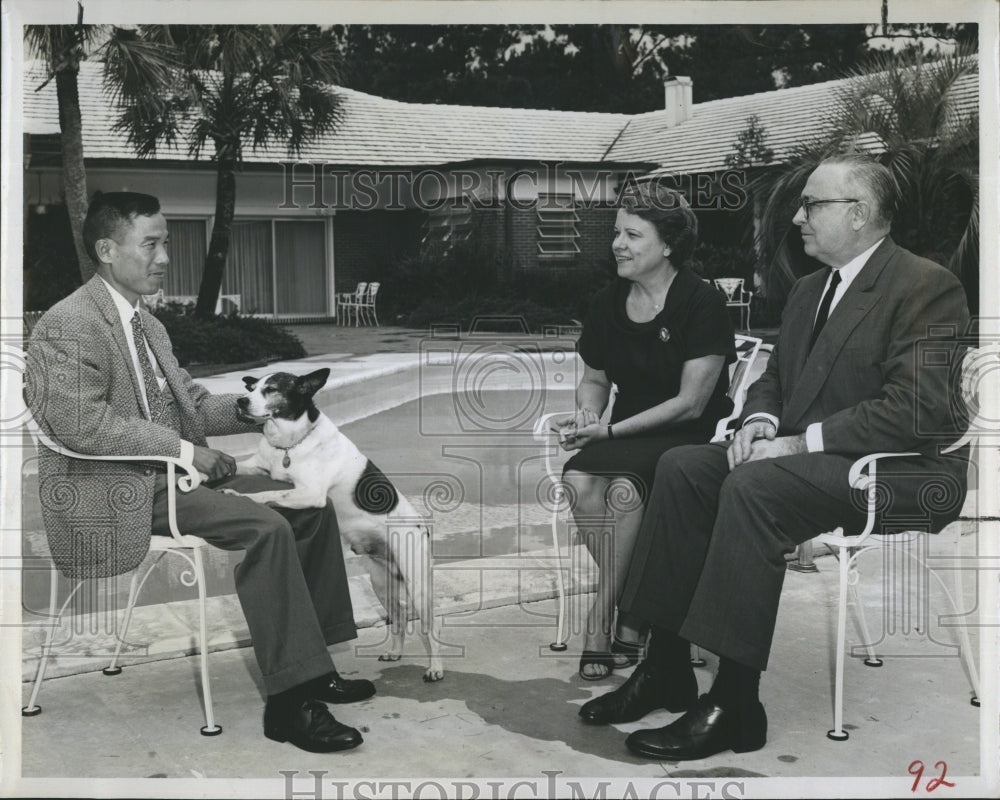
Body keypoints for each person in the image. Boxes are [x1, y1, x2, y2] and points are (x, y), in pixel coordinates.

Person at [576, 153, 971, 758]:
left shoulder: (925, 286)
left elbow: (913, 411)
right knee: (682, 467)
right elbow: (775, 378)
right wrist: (760, 419)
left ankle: (735, 704)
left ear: (860, 213)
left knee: (752, 488)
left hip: (901, 472)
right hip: (811, 463)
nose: (797, 218)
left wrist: (794, 441)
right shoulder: (810, 289)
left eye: (812, 204)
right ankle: (666, 667)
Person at [25, 191, 373, 754]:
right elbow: (81, 425)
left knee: (312, 507)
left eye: (167, 243)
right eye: (152, 244)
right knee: (268, 528)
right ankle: (289, 705)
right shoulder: (70, 324)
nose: (165, 257)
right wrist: (187, 453)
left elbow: (188, 400)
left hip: (173, 479)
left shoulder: (148, 326)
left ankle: (314, 666)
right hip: (120, 490)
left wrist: (256, 405)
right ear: (107, 249)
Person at [554, 181, 736, 680]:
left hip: (687, 437)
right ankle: (637, 609)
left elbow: (690, 403)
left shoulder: (701, 302)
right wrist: (591, 416)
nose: (618, 245)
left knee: (624, 496)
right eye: (617, 233)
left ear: (668, 245)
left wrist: (609, 435)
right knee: (577, 481)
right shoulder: (607, 302)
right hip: (624, 431)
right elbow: (593, 379)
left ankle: (601, 622)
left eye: (633, 235)